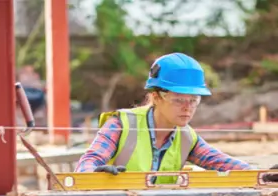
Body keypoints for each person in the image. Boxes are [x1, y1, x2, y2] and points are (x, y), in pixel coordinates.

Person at [75, 52, 278, 183]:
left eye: (194, 100)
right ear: (156, 97)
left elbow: (221, 162)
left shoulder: (187, 138)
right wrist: (93, 175)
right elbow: (89, 161)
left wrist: (262, 175)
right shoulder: (121, 124)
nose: (187, 108)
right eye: (179, 100)